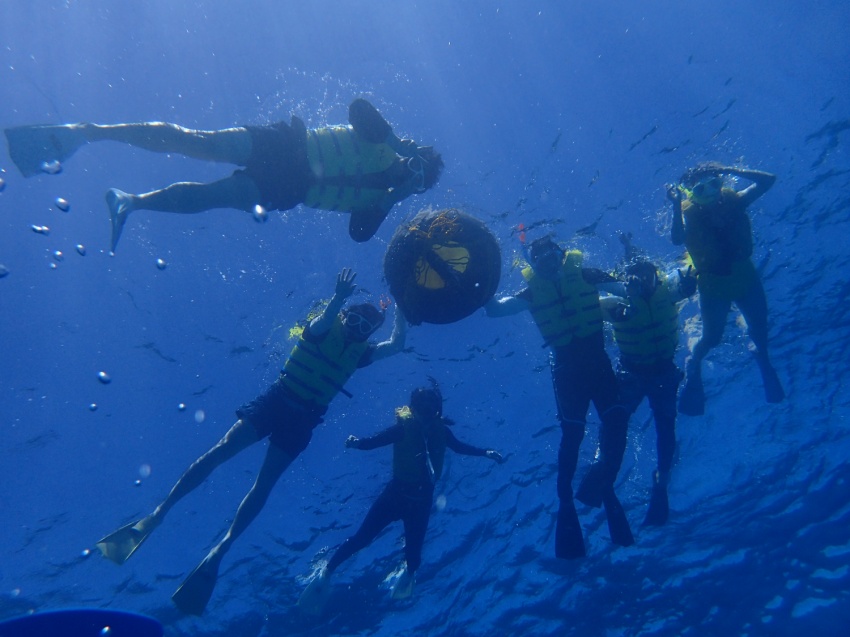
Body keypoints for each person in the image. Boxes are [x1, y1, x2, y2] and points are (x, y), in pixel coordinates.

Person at [94, 268, 407, 616]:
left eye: (368, 328)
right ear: (346, 315)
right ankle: (156, 515)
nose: (359, 330)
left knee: (264, 485)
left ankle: (221, 550)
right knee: (220, 453)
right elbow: (324, 321)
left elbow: (397, 346)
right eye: (357, 320)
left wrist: (404, 314)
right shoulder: (324, 326)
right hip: (276, 401)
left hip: (302, 421)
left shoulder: (361, 354)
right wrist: (337, 298)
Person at [4, 98, 443, 251]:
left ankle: (130, 202)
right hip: (289, 144)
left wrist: (394, 199)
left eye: (419, 181)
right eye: (417, 164)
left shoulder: (379, 204)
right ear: (413, 151)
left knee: (209, 198)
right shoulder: (382, 139)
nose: (411, 174)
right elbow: (358, 109)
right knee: (198, 143)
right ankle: (89, 133)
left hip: (288, 188)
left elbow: (359, 236)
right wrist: (401, 143)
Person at [484, 235, 633, 559]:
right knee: (574, 434)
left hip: (597, 363)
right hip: (566, 371)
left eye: (552, 257)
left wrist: (634, 281)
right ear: (534, 265)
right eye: (541, 261)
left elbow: (624, 288)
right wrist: (480, 283)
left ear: (562, 256)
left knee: (618, 419)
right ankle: (566, 499)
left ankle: (603, 479)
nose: (549, 265)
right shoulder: (530, 292)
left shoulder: (587, 275)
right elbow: (495, 311)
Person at [297, 380, 504, 612]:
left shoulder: (442, 432)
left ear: (437, 411)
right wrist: (358, 444)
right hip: (394, 496)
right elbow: (377, 440)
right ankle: (326, 571)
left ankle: (406, 572)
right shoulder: (403, 428)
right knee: (362, 539)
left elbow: (459, 447)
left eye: (431, 407)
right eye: (421, 406)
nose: (426, 412)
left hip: (421, 504)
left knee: (414, 558)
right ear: (413, 408)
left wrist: (485, 452)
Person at [668, 161, 784, 416]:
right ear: (690, 195)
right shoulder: (688, 216)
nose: (710, 193)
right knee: (712, 337)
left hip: (746, 278)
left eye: (715, 184)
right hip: (713, 286)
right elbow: (677, 239)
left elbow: (769, 179)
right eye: (701, 190)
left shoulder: (735, 201)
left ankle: (762, 357)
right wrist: (676, 205)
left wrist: (732, 170)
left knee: (759, 325)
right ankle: (694, 363)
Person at [599, 256, 697, 525]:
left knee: (666, 428)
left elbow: (689, 275)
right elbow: (585, 308)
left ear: (657, 275)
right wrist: (613, 314)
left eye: (648, 277)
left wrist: (692, 284)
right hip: (631, 372)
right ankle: (602, 462)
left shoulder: (670, 289)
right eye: (635, 279)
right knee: (614, 419)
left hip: (664, 372)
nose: (643, 283)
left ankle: (661, 482)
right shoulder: (616, 302)